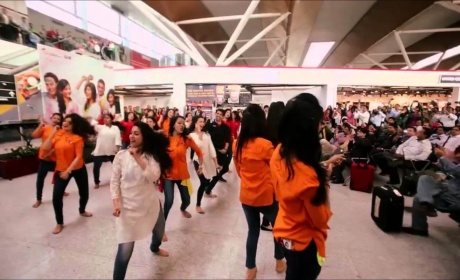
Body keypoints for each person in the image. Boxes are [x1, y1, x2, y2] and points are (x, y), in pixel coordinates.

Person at [270, 93, 335, 280]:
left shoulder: (279, 152)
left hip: (284, 230)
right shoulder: (309, 179)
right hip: (304, 243)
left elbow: (290, 186)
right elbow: (320, 220)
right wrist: (325, 181)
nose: (321, 127)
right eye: (320, 122)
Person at [111, 122, 173, 280]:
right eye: (131, 133)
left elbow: (154, 176)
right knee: (124, 252)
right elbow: (114, 181)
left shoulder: (151, 157)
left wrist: (138, 158)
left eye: (136, 133)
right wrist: (116, 201)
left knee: (159, 231)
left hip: (150, 204)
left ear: (144, 137)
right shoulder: (121, 156)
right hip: (128, 209)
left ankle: (154, 247)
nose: (132, 136)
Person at [233, 104, 286, 280]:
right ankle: (279, 260)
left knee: (252, 232)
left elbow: (239, 170)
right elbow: (277, 169)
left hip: (247, 196)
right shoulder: (266, 145)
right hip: (267, 196)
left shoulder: (236, 144)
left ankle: (250, 268)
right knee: (277, 229)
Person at [42, 114, 96, 234]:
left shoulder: (78, 138)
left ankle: (82, 210)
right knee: (56, 197)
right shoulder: (59, 134)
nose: (65, 123)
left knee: (84, 193)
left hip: (77, 168)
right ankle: (59, 223)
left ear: (74, 125)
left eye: (69, 122)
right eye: (65, 121)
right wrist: (52, 133)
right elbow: (45, 147)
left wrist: (68, 171)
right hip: (61, 170)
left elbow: (78, 157)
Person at [164, 116, 203, 221]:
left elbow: (199, 152)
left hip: (182, 175)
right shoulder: (166, 138)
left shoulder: (187, 139)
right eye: (179, 123)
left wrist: (200, 166)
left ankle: (183, 208)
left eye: (183, 124)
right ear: (173, 124)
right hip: (168, 175)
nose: (181, 125)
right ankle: (161, 227)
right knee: (169, 201)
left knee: (187, 200)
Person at [31, 113, 67, 208]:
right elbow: (34, 135)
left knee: (61, 177)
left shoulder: (62, 131)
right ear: (51, 118)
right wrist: (40, 125)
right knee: (40, 179)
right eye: (54, 118)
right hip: (44, 158)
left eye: (58, 119)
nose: (55, 120)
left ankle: (61, 191)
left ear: (61, 121)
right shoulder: (45, 127)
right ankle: (39, 199)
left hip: (56, 159)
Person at [189, 115, 221, 214]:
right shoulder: (191, 135)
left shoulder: (207, 134)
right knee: (203, 182)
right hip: (197, 161)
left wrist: (216, 163)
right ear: (195, 123)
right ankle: (198, 205)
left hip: (208, 160)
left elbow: (211, 148)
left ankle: (207, 192)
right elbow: (197, 146)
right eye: (200, 122)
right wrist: (198, 133)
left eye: (203, 122)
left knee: (211, 178)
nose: (202, 124)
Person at [92, 113, 121, 189]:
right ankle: (96, 182)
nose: (105, 119)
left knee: (117, 165)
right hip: (100, 151)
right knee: (96, 167)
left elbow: (117, 138)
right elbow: (92, 123)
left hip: (112, 150)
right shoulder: (100, 127)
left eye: (107, 118)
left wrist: (117, 149)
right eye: (104, 118)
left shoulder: (115, 128)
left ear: (111, 119)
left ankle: (119, 179)